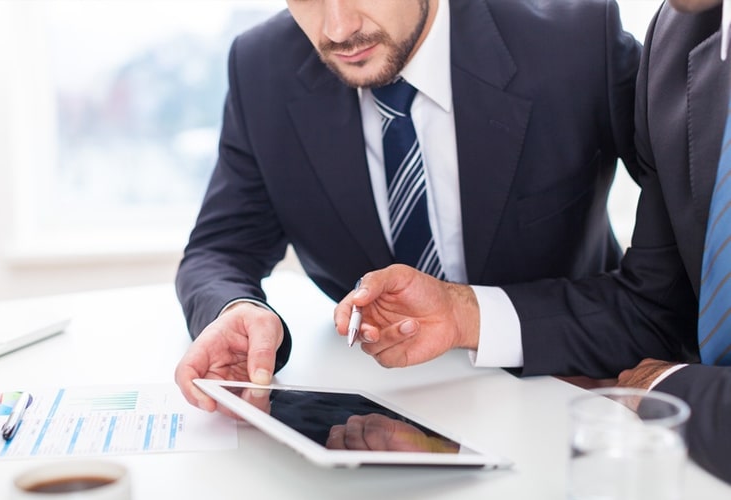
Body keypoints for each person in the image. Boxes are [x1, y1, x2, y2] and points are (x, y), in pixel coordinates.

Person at [174, 0, 641, 412]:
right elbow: (219, 249)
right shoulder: (262, 67)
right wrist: (235, 308)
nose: (338, 28)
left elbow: (687, 259)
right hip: (384, 409)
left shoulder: (577, 41)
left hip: (570, 388)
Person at [334, 0, 731, 482]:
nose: (338, 25)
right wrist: (462, 314)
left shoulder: (586, 38)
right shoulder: (681, 37)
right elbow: (656, 305)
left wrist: (673, 386)